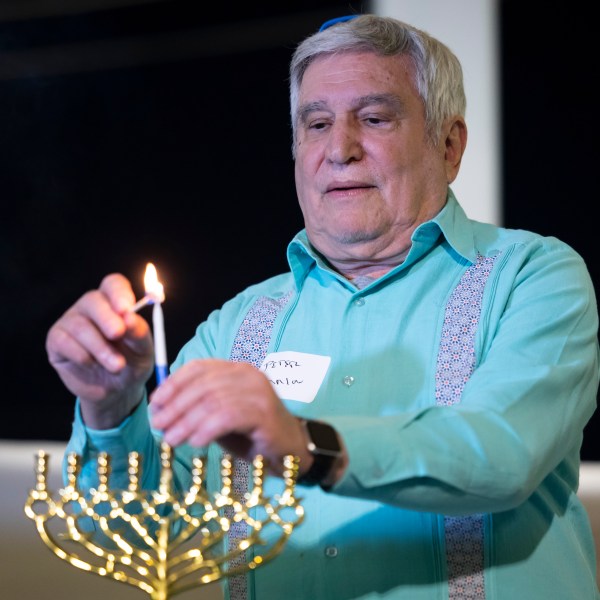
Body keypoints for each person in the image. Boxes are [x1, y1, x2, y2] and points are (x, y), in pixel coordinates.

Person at [46, 13, 600, 600]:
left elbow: (502, 454)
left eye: (375, 118)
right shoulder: (236, 327)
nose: (340, 149)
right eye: (316, 123)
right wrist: (108, 407)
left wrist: (307, 444)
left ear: (448, 145)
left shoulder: (533, 276)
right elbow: (145, 534)